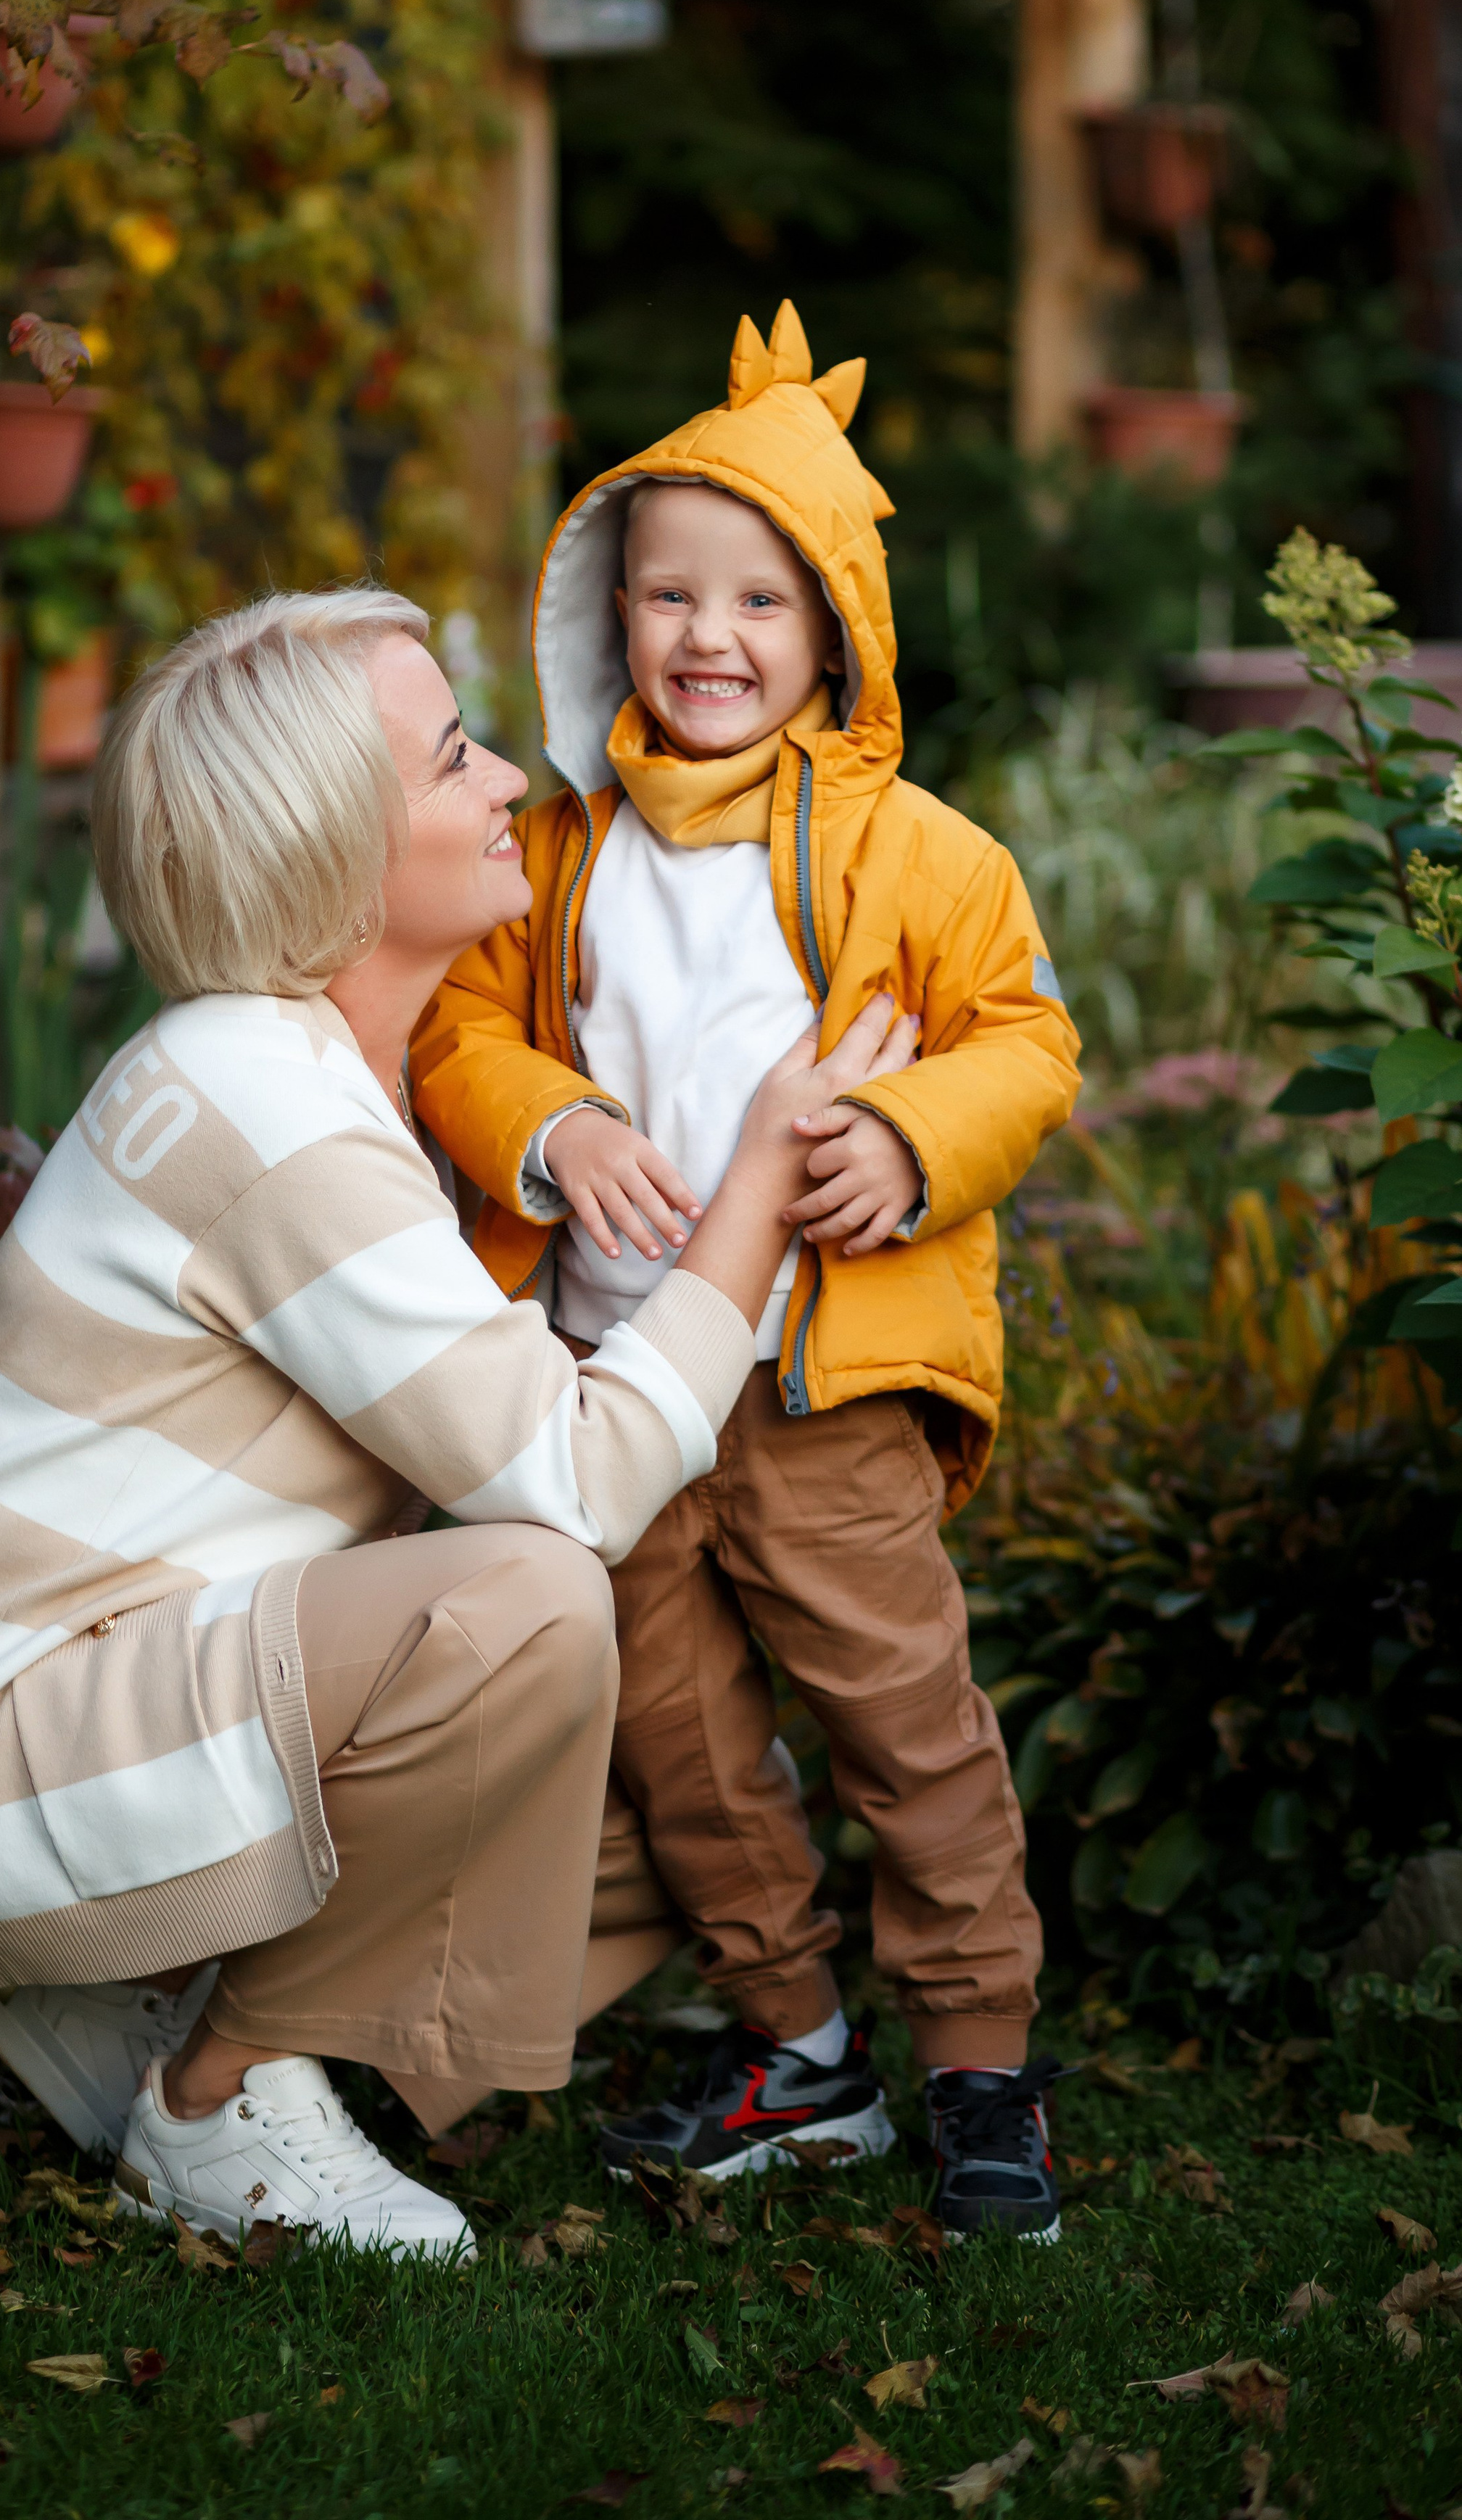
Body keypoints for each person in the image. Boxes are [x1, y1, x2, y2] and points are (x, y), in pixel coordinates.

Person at [0, 584, 916, 2260]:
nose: (505, 792)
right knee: (531, 1601)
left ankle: (181, 1994)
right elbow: (573, 1479)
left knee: (638, 1793)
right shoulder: (269, 1109)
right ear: (337, 848)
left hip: (95, 1704)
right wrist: (755, 1187)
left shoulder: (319, 1082)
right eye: (456, 757)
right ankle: (212, 2101)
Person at [412, 305, 1083, 2241]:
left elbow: (1023, 1045)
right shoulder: (553, 854)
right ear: (604, 615)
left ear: (837, 629)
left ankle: (978, 2064)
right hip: (613, 1396)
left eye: (761, 604)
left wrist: (911, 1139)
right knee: (678, 1736)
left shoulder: (927, 859)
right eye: (664, 597)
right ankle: (796, 2046)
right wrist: (550, 1121)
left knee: (903, 1724)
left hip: (816, 1386)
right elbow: (457, 1029)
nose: (709, 640)